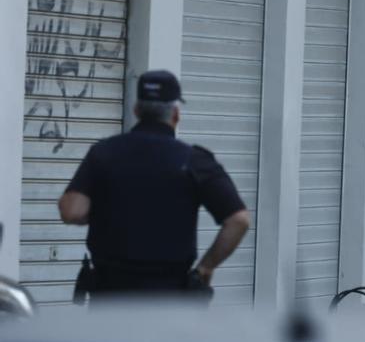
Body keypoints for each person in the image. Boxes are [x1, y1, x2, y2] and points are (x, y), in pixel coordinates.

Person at [58, 70, 251, 301]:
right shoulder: (194, 161)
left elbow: (72, 211)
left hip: (110, 299)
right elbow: (238, 221)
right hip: (168, 300)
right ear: (176, 114)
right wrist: (205, 268)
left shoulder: (104, 153)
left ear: (137, 110)